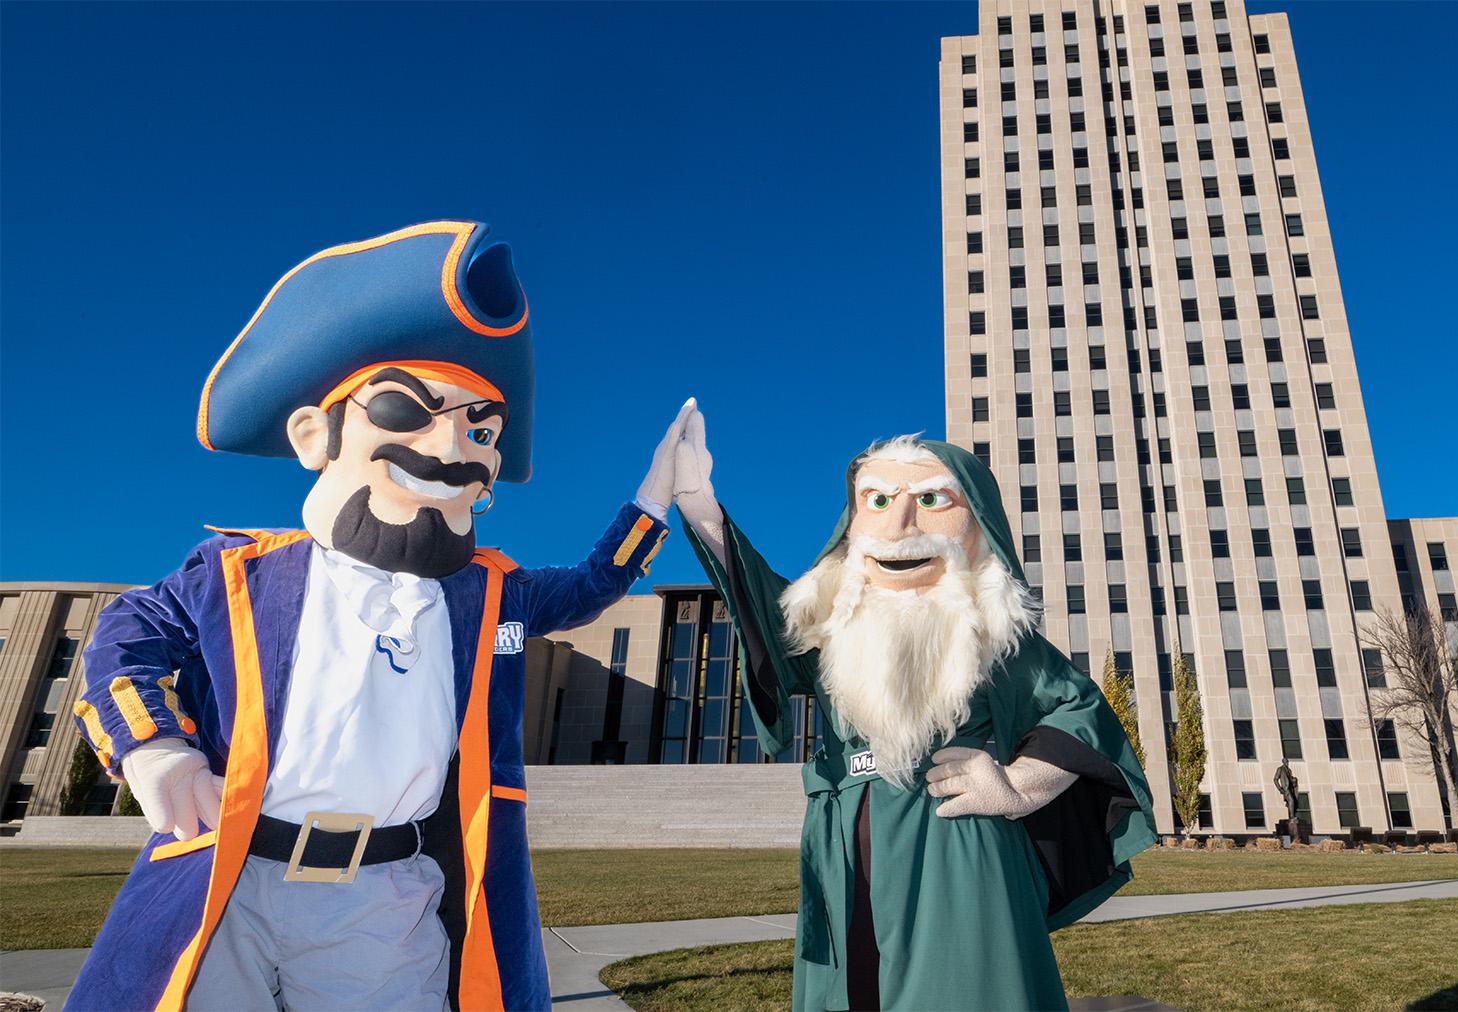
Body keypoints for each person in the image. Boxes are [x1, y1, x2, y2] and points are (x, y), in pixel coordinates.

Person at [66, 221, 689, 1011]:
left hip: (384, 898)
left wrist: (656, 498)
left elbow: (594, 584)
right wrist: (153, 746)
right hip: (229, 880)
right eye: (408, 407)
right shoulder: (238, 575)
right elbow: (130, 634)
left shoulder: (489, 596)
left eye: (482, 427)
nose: (452, 444)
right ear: (312, 433)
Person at [672, 414, 1157, 1011]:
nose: (900, 526)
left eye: (931, 499)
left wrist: (1018, 786)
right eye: (877, 500)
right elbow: (760, 605)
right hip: (845, 834)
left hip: (955, 830)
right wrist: (702, 509)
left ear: (979, 522)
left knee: (962, 985)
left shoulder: (992, 633)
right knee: (853, 989)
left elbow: (1079, 708)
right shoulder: (833, 625)